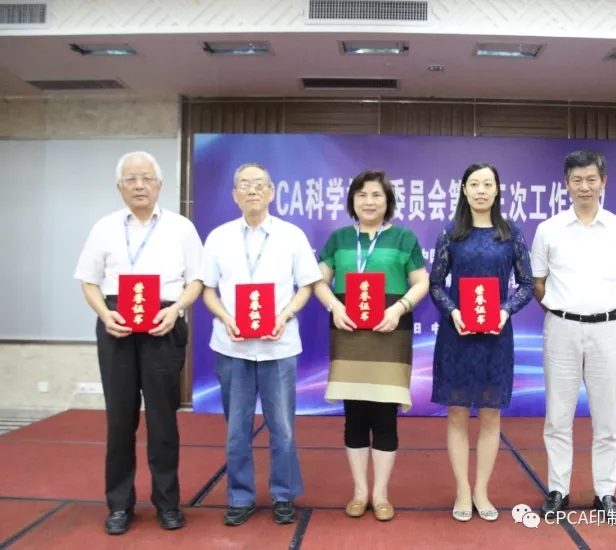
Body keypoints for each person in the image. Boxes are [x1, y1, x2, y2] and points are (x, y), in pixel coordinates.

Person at [74, 151, 204, 535]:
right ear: (120, 187)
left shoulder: (181, 228)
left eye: (147, 178)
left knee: (163, 420)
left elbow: (197, 280)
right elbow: (88, 281)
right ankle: (119, 505)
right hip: (117, 323)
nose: (139, 185)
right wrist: (104, 314)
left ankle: (168, 503)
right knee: (120, 420)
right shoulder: (104, 228)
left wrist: (177, 309)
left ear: (159, 185)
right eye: (130, 179)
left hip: (164, 322)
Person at [200, 163, 322, 527]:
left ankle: (284, 495)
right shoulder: (219, 237)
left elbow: (307, 285)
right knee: (236, 429)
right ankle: (240, 497)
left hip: (278, 347)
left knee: (282, 428)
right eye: (244, 185)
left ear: (271, 192)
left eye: (258, 184)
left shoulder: (291, 235)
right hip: (232, 347)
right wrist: (226, 317)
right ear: (234, 195)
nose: (251, 190)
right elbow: (207, 289)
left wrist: (285, 314)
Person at [530, 150, 616, 525]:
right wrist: (563, 312)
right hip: (561, 329)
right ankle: (558, 490)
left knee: (606, 417)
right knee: (557, 416)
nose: (584, 187)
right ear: (566, 184)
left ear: (603, 182)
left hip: (607, 330)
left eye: (591, 179)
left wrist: (608, 315)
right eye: (577, 180)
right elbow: (538, 283)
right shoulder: (549, 229)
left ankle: (605, 491)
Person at [312, 169, 429, 522]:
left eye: (377, 194)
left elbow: (421, 282)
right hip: (350, 337)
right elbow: (317, 280)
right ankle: (360, 491)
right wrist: (334, 306)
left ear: (387, 201)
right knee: (355, 418)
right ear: (352, 200)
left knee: (385, 418)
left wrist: (399, 308)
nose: (369, 201)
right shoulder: (339, 239)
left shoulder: (404, 238)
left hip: (390, 336)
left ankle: (380, 494)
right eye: (362, 194)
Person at [428, 163, 534, 522]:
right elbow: (436, 284)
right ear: (464, 190)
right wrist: (453, 312)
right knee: (457, 414)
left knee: (490, 415)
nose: (481, 190)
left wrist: (505, 311)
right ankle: (462, 489)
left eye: (488, 184)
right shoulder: (451, 233)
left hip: (496, 336)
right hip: (457, 335)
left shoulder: (510, 233)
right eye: (474, 184)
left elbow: (527, 285)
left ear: (497, 190)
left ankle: (481, 491)